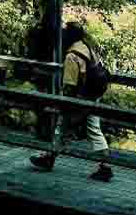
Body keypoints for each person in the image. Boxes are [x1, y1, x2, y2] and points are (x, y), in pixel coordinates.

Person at [30, 22, 113, 182]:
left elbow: (70, 85)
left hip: (79, 99)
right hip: (93, 96)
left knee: (61, 126)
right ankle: (104, 166)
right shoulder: (88, 46)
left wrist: (64, 103)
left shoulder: (72, 55)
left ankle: (49, 158)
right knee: (94, 130)